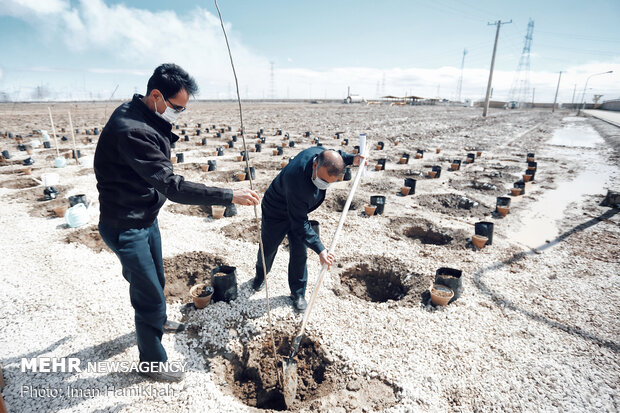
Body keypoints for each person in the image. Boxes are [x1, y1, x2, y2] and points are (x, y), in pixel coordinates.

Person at [94, 63, 260, 382]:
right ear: (156, 95)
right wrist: (228, 195)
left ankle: (159, 321)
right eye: (177, 108)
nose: (180, 114)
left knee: (157, 278)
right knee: (149, 296)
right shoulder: (132, 129)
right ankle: (152, 363)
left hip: (145, 218)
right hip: (125, 226)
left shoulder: (141, 109)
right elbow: (173, 187)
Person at [252, 147, 363, 311]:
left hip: (299, 210)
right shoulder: (297, 181)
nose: (323, 185)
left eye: (328, 183)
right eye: (323, 180)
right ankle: (260, 275)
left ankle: (298, 293)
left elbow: (337, 156)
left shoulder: (322, 155)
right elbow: (300, 224)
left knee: (299, 251)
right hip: (276, 210)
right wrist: (321, 250)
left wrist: (352, 159)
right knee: (268, 247)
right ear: (314, 165)